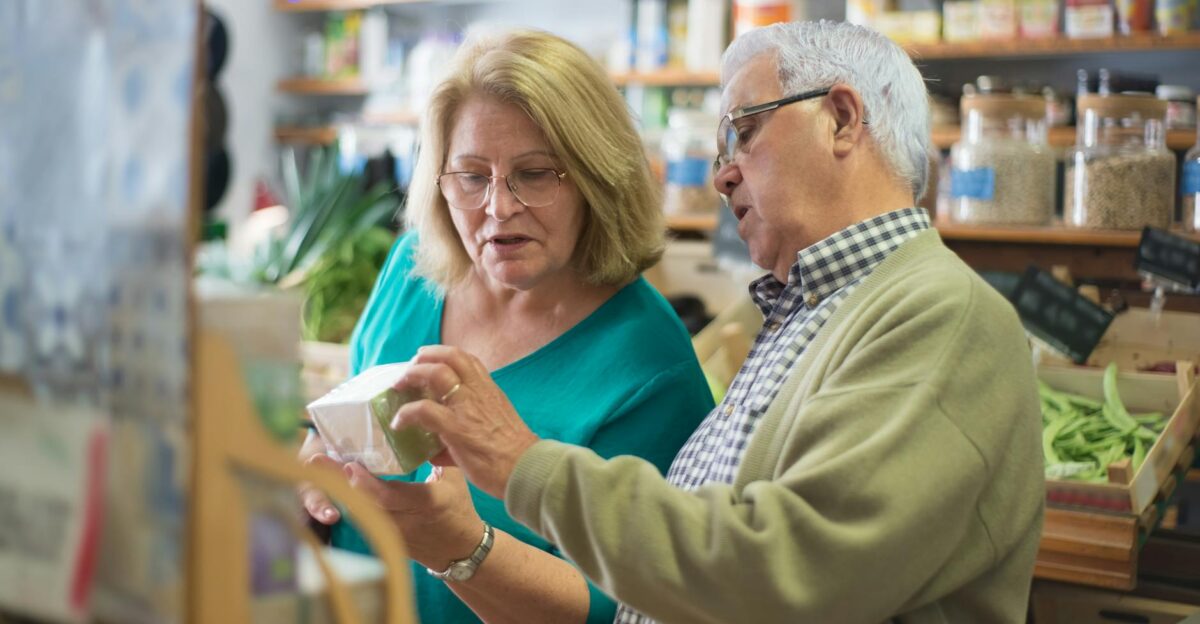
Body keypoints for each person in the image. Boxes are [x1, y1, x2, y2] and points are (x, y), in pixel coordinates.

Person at [389, 21, 1046, 623]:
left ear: (841, 118)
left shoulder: (938, 316)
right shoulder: (815, 311)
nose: (722, 172)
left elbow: (790, 571)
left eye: (744, 130)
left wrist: (520, 464)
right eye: (471, 176)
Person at [297, 30, 715, 624]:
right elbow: (341, 424)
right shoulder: (413, 271)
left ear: (598, 177)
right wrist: (316, 460)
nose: (498, 207)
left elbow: (632, 609)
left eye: (536, 173)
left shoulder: (650, 369)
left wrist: (463, 551)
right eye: (471, 176)